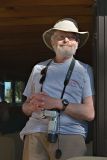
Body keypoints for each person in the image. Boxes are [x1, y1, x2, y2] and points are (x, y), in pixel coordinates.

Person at [20, 18, 95, 160]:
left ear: (77, 44)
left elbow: (89, 113)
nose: (66, 40)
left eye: (72, 37)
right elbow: (25, 107)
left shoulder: (84, 70)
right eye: (61, 37)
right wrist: (30, 106)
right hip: (34, 133)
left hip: (70, 134)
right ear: (52, 42)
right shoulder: (38, 68)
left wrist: (57, 103)